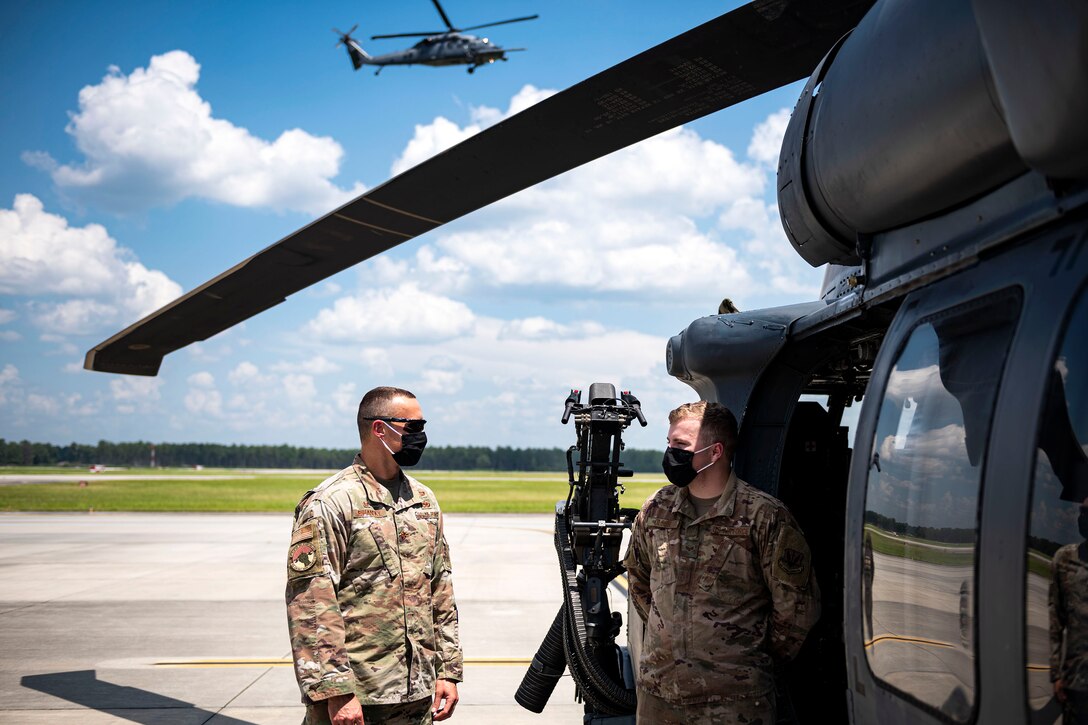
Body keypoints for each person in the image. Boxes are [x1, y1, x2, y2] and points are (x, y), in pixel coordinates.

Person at [623, 400, 820, 724]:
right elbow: (639, 579)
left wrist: (745, 659)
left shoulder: (763, 516)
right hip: (659, 696)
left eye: (680, 445)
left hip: (734, 702)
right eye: (669, 442)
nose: (670, 453)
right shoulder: (657, 509)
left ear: (715, 452)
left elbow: (797, 610)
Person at [286, 386, 462, 725]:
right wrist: (337, 691)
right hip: (357, 697)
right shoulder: (332, 502)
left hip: (417, 694)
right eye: (413, 426)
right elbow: (311, 605)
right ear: (380, 428)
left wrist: (448, 670)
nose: (421, 436)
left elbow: (440, 589)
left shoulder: (424, 501)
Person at [1050, 499, 1088, 724]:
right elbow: (1056, 619)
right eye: (1081, 512)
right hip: (1075, 684)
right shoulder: (1064, 559)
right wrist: (1056, 674)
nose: (1082, 518)